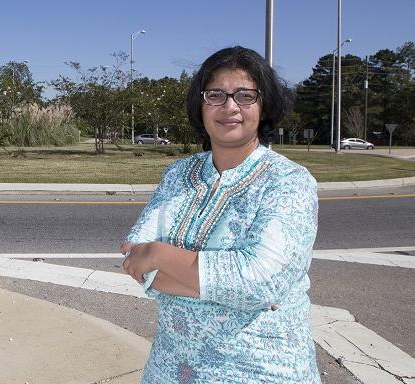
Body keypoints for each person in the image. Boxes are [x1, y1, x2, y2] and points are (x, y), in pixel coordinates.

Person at [121, 46, 320, 383]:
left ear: (265, 105)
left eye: (245, 95)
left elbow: (261, 282)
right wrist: (233, 291)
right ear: (200, 106)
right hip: (171, 368)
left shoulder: (288, 181)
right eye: (216, 95)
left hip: (260, 369)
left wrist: (159, 254)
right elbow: (134, 260)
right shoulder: (178, 175)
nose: (230, 106)